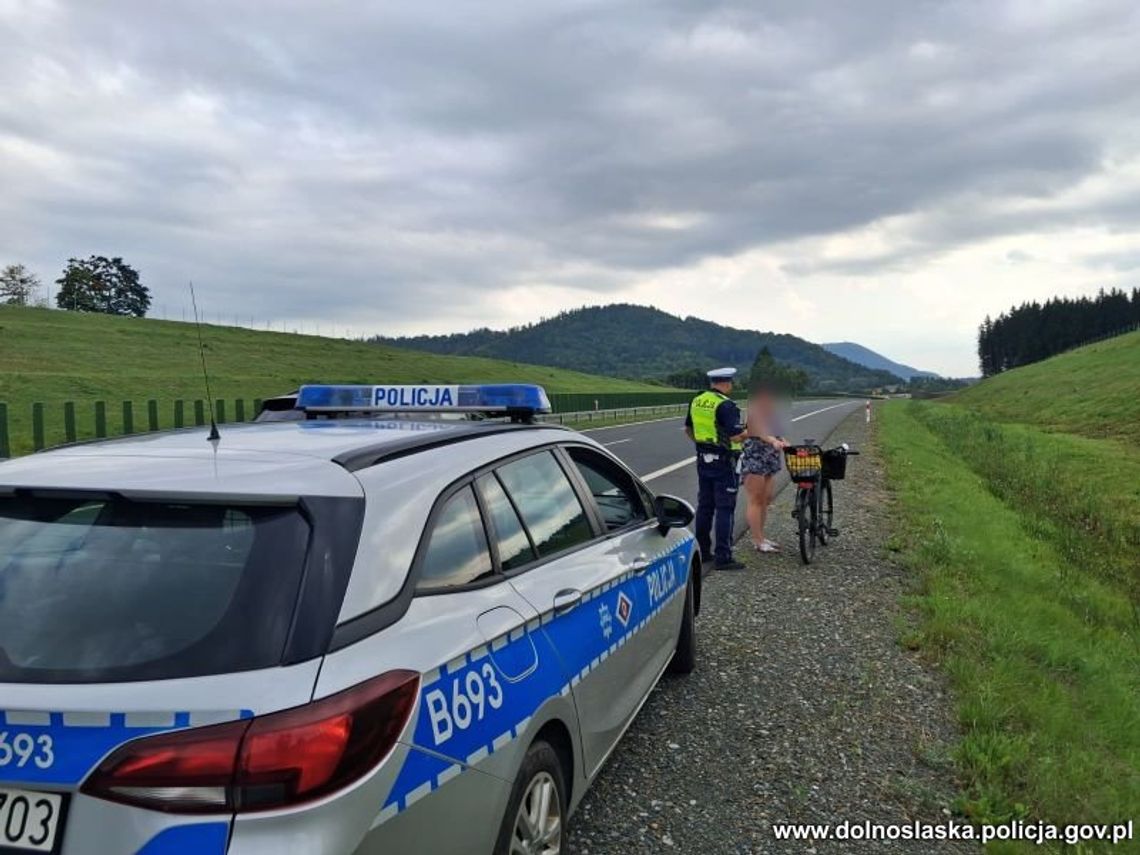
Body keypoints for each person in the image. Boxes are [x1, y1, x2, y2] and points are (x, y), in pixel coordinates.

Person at [685, 367, 748, 571]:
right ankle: (723, 557)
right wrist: (751, 431)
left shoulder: (698, 400)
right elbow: (735, 437)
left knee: (705, 506)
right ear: (727, 383)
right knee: (725, 508)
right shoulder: (726, 405)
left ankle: (703, 552)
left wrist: (703, 445)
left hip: (703, 460)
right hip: (724, 462)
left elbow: (688, 429)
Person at [740, 383, 788, 552]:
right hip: (755, 457)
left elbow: (778, 432)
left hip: (770, 458)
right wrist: (773, 441)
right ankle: (758, 540)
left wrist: (785, 442)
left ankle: (762, 536)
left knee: (766, 498)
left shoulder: (772, 412)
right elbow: (759, 431)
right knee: (756, 499)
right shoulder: (753, 411)